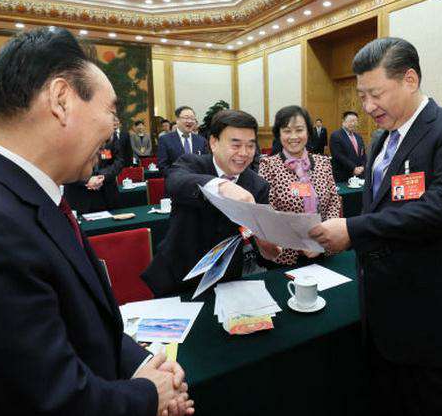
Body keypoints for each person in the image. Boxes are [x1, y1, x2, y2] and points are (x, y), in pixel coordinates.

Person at [0, 27, 193, 416]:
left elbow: (81, 323)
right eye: (111, 111)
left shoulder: (19, 189)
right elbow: (47, 405)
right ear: (61, 100)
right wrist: (150, 395)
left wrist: (143, 364)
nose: (113, 128)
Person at [309, 37, 442, 416]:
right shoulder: (381, 141)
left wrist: (353, 230)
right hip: (387, 320)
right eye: (362, 96)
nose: (368, 106)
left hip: (438, 323)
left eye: (375, 94)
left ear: (409, 79)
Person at [142, 109, 281, 296]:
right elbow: (174, 182)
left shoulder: (258, 185)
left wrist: (267, 245)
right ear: (214, 143)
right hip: (178, 274)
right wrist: (222, 186)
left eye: (250, 145)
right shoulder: (191, 163)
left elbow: (261, 247)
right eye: (236, 145)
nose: (244, 153)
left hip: (226, 279)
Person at [258, 105, 342, 266]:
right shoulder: (269, 166)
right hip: (286, 254)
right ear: (279, 134)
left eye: (299, 130)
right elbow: (269, 213)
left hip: (323, 249)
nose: (293, 136)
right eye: (287, 131)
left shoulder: (323, 162)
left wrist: (322, 239)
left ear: (308, 132)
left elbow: (333, 202)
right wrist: (301, 243)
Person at [63, 131, 124, 214]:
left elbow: (119, 161)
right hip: (78, 196)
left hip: (107, 194)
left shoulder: (108, 131)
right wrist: (87, 180)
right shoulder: (67, 132)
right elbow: (63, 166)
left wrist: (102, 175)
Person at [157, 106, 208, 175]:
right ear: (177, 120)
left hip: (198, 180)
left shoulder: (201, 141)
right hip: (176, 180)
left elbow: (205, 164)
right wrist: (179, 177)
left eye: (192, 118)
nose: (190, 121)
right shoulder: (165, 140)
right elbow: (162, 166)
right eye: (186, 118)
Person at [329, 111, 366, 182]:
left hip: (359, 175)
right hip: (343, 175)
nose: (353, 124)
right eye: (351, 121)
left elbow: (363, 154)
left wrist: (363, 167)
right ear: (343, 122)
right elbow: (338, 155)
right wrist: (353, 168)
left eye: (355, 121)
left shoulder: (359, 137)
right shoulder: (336, 135)